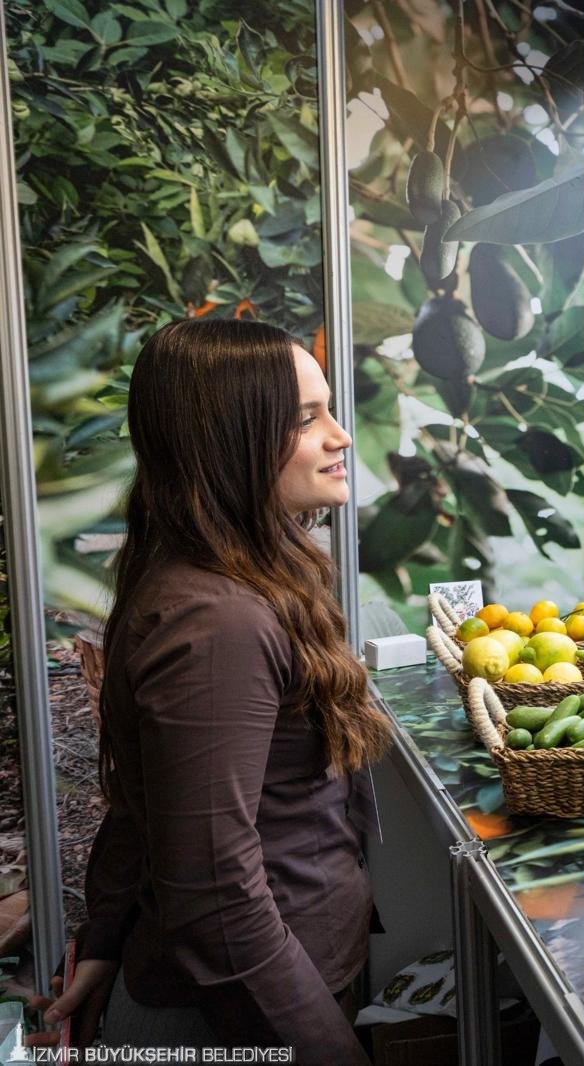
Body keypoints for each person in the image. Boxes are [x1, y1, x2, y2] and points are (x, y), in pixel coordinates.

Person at [27, 319, 390, 1061]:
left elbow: (150, 800)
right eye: (306, 418)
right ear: (228, 441)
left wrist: (105, 936)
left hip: (276, 985)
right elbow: (216, 899)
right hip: (242, 1015)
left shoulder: (238, 576)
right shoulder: (218, 621)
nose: (341, 436)